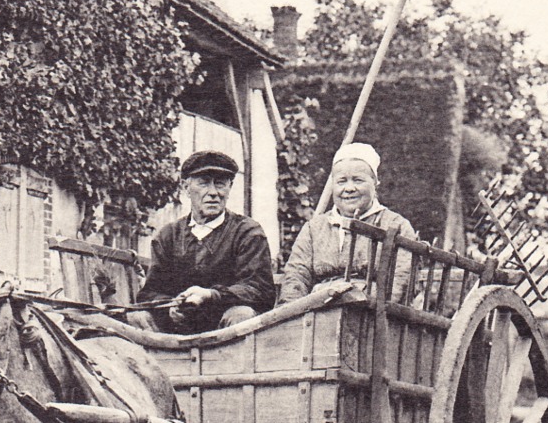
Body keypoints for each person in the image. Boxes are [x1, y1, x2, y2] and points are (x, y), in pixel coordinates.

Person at [131, 150, 275, 334]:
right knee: (138, 317)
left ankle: (227, 363)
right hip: (176, 329)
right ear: (186, 187)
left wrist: (210, 295)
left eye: (220, 184)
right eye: (204, 183)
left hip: (225, 330)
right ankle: (159, 362)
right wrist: (170, 306)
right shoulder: (168, 235)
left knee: (242, 315)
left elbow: (260, 289)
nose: (213, 192)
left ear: (230, 187)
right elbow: (149, 293)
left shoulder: (247, 232)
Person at [278, 142, 418, 304]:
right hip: (318, 313)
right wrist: (291, 314)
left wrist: (378, 309)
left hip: (370, 312)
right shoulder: (314, 228)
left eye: (358, 180)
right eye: (341, 181)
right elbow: (297, 274)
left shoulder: (395, 225)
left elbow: (401, 278)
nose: (349, 188)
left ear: (375, 182)